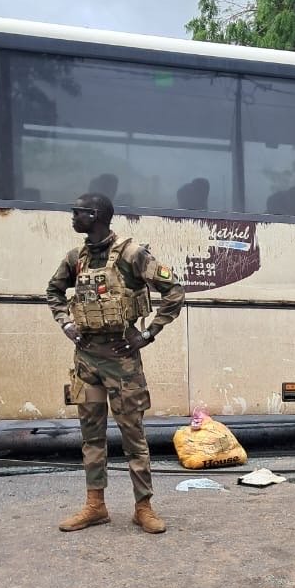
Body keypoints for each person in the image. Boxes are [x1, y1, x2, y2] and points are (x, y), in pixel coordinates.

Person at [46, 192, 185, 533]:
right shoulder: (75, 257)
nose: (73, 217)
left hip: (122, 363)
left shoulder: (132, 255)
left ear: (95, 215)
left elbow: (174, 291)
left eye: (78, 212)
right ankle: (95, 506)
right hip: (87, 361)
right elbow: (54, 291)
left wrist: (148, 333)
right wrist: (66, 323)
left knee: (133, 437)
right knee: (91, 437)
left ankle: (143, 508)